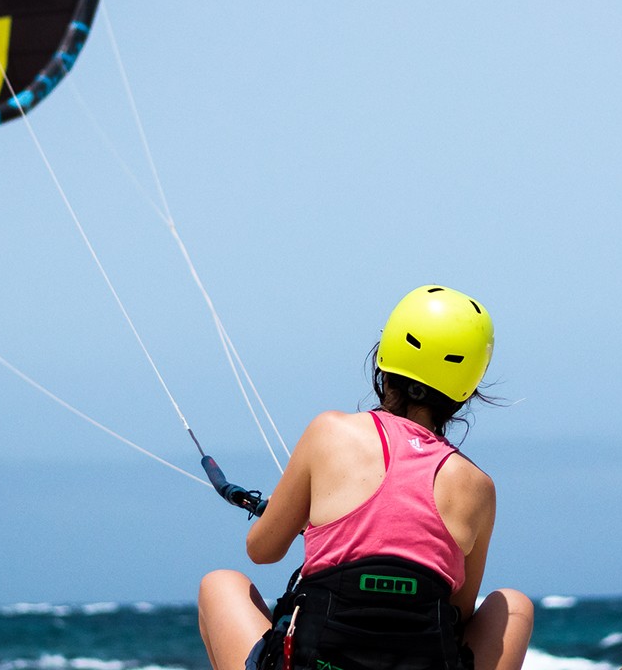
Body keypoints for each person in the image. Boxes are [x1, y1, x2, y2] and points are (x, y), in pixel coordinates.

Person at [198, 285, 534, 670]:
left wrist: (295, 516)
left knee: (220, 583)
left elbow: (261, 550)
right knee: (514, 604)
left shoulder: (329, 431)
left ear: (384, 360)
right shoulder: (478, 487)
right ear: (466, 390)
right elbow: (456, 611)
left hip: (311, 660)